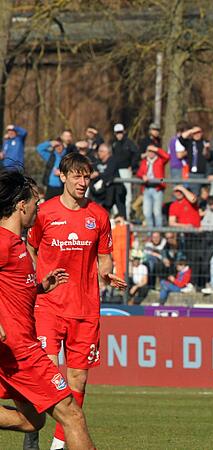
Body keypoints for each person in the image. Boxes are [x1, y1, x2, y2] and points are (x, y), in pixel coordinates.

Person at [25, 153, 126, 450]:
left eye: (87, 177)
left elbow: (105, 259)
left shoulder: (99, 216)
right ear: (63, 176)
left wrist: (107, 275)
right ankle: (31, 433)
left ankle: (58, 445)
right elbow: (31, 249)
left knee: (78, 380)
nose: (83, 182)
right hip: (48, 307)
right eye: (77, 176)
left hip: (85, 308)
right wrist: (37, 285)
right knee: (46, 375)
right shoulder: (44, 213)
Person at [0, 171, 96, 449]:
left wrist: (40, 287)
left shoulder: (17, 244)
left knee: (32, 421)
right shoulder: (4, 242)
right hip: (21, 350)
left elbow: (12, 289)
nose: (37, 210)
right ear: (21, 205)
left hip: (14, 349)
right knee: (72, 415)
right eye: (35, 204)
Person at [136, 144, 170, 227]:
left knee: (157, 212)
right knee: (147, 213)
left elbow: (167, 156)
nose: (151, 153)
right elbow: (139, 173)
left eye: (152, 151)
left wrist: (156, 149)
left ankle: (158, 233)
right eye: (149, 151)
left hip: (157, 189)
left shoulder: (160, 160)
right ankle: (150, 234)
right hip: (147, 189)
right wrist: (142, 176)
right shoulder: (144, 161)